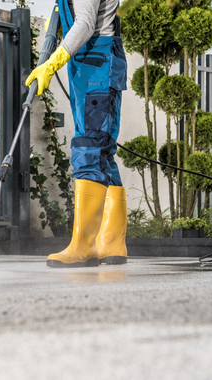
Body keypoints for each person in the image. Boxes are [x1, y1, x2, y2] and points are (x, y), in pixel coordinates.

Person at [26, 0, 128, 268]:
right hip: (94, 65)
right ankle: (112, 243)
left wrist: (52, 63)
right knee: (103, 153)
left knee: (88, 148)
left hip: (95, 67)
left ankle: (84, 246)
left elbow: (84, 25)